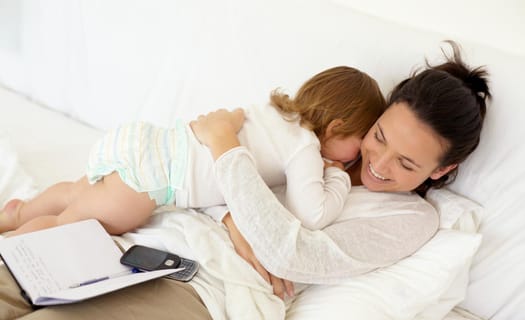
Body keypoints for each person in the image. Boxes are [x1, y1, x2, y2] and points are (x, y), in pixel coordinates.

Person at [0, 42, 490, 320]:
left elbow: (292, 254)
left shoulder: (410, 219)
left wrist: (224, 148)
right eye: (380, 136)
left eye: (407, 164)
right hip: (135, 235)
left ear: (443, 169)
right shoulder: (322, 143)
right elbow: (205, 181)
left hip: (199, 291)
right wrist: (237, 214)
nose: (379, 164)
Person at [0, 66, 385, 237]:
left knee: (75, 191)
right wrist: (335, 174)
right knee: (76, 225)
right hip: (155, 180)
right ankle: (16, 247)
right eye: (362, 139)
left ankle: (17, 214)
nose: (358, 154)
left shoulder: (274, 111)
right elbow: (312, 215)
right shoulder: (305, 148)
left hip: (147, 143)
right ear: (336, 128)